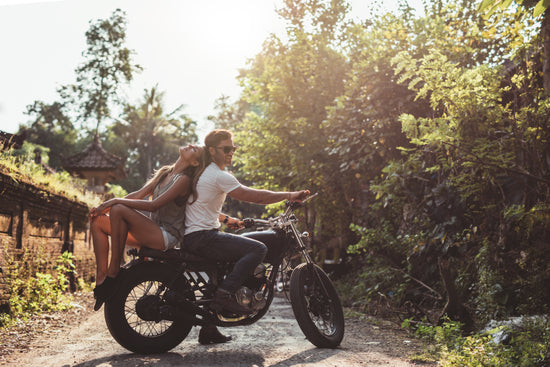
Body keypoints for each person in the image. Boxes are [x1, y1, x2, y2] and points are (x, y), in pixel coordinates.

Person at [89, 144, 231, 345]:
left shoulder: (184, 180)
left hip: (166, 236)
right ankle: (102, 278)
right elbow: (137, 195)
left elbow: (154, 205)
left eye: (195, 150)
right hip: (152, 231)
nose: (190, 145)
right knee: (98, 221)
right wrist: (104, 210)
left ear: (195, 162)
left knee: (119, 209)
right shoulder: (166, 172)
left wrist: (112, 203)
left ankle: (114, 272)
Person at [183, 129, 310, 315]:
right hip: (204, 237)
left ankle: (209, 327)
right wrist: (289, 195)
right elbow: (253, 196)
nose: (231, 152)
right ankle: (224, 295)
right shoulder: (218, 175)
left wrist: (226, 219)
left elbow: (201, 206)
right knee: (258, 249)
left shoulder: (203, 173)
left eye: (232, 148)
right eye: (226, 148)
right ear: (211, 150)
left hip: (196, 237)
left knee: (223, 267)